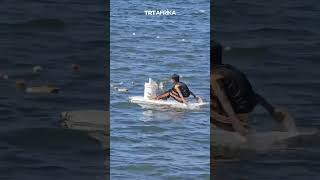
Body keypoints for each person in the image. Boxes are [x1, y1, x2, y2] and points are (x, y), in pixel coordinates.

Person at [211, 42, 294, 136]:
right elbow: (251, 93)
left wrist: (237, 125)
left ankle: (229, 128)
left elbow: (224, 100)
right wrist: (272, 110)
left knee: (201, 107)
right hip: (249, 111)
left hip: (238, 119)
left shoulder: (214, 76)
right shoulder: (232, 69)